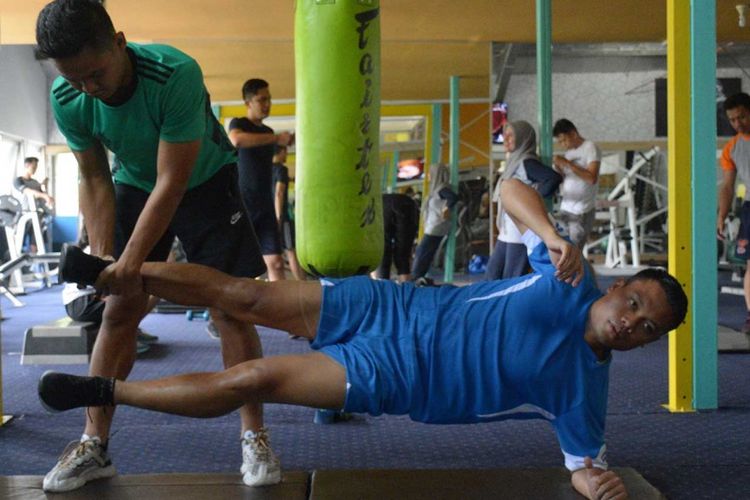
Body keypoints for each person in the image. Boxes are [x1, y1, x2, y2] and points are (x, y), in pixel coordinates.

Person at [41, 179, 687, 500]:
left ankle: (106, 389)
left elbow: (583, 468)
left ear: (644, 342)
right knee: (245, 296)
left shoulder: (586, 393)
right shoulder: (570, 272)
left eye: (645, 326)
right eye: (634, 302)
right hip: (391, 303)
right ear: (617, 286)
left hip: (395, 376)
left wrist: (597, 485)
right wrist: (549, 233)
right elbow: (507, 188)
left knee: (256, 380)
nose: (632, 321)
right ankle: (104, 272)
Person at [35, 0, 279, 491]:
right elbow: (94, 176)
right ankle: (93, 444)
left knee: (230, 309)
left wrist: (129, 262)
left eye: (96, 73)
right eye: (75, 78)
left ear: (120, 42)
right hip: (133, 183)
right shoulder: (68, 95)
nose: (89, 88)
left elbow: (173, 181)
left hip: (205, 182)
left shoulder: (174, 74)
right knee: (117, 312)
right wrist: (105, 260)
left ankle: (255, 434)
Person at [228, 78, 293, 282]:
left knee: (275, 262)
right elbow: (236, 140)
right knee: (240, 266)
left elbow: (274, 159)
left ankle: (279, 313)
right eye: (261, 100)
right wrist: (276, 139)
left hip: (265, 205)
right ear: (248, 103)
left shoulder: (267, 132)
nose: (267, 104)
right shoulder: (239, 123)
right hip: (242, 204)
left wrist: (289, 141)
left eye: (269, 99)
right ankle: (236, 311)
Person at [485, 120, 562, 280]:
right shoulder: (513, 163)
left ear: (522, 138)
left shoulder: (526, 162)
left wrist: (531, 202)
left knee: (511, 278)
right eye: (504, 136)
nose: (506, 139)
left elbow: (552, 178)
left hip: (519, 232)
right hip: (507, 232)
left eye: (510, 135)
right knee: (492, 276)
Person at [717, 92, 750, 333]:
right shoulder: (732, 148)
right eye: (733, 119)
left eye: (742, 116)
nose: (738, 123)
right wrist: (721, 215)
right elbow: (728, 186)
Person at [552, 119, 602, 250]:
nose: (563, 145)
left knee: (573, 253)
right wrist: (559, 169)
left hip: (581, 211)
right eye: (560, 142)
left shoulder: (590, 147)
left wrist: (567, 163)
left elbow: (591, 178)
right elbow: (568, 178)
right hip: (566, 208)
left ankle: (582, 271)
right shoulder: (569, 153)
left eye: (564, 140)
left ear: (573, 134)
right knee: (562, 250)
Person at [410, 164, 458, 284]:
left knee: (422, 251)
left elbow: (453, 198)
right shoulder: (437, 190)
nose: (428, 176)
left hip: (436, 226)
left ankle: (416, 277)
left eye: (431, 173)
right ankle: (418, 277)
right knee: (425, 251)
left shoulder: (442, 189)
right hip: (433, 226)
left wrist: (446, 209)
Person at [272, 145, 305, 281]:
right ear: (280, 152)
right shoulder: (281, 169)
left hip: (267, 215)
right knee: (290, 250)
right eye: (285, 152)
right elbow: (279, 193)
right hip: (281, 215)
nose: (286, 155)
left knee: (272, 253)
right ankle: (302, 284)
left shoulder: (265, 169)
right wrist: (279, 215)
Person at [373, 192, 419, 283]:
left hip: (382, 204)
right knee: (403, 252)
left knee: (382, 250)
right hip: (407, 204)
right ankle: (406, 290)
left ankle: (382, 289)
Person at [13, 157, 55, 253]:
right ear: (27, 166)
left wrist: (44, 188)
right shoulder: (18, 181)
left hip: (36, 215)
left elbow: (42, 196)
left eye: (36, 167)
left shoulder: (35, 183)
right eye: (33, 167)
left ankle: (34, 266)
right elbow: (29, 192)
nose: (35, 169)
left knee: (35, 242)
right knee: (18, 244)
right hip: (23, 215)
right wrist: (44, 195)